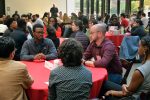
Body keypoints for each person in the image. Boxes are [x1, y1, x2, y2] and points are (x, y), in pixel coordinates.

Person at [105, 36, 150, 100]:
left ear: (145, 48)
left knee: (107, 94)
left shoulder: (140, 71)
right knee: (106, 83)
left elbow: (127, 93)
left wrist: (111, 92)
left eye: (139, 46)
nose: (137, 48)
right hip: (142, 93)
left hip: (136, 97)